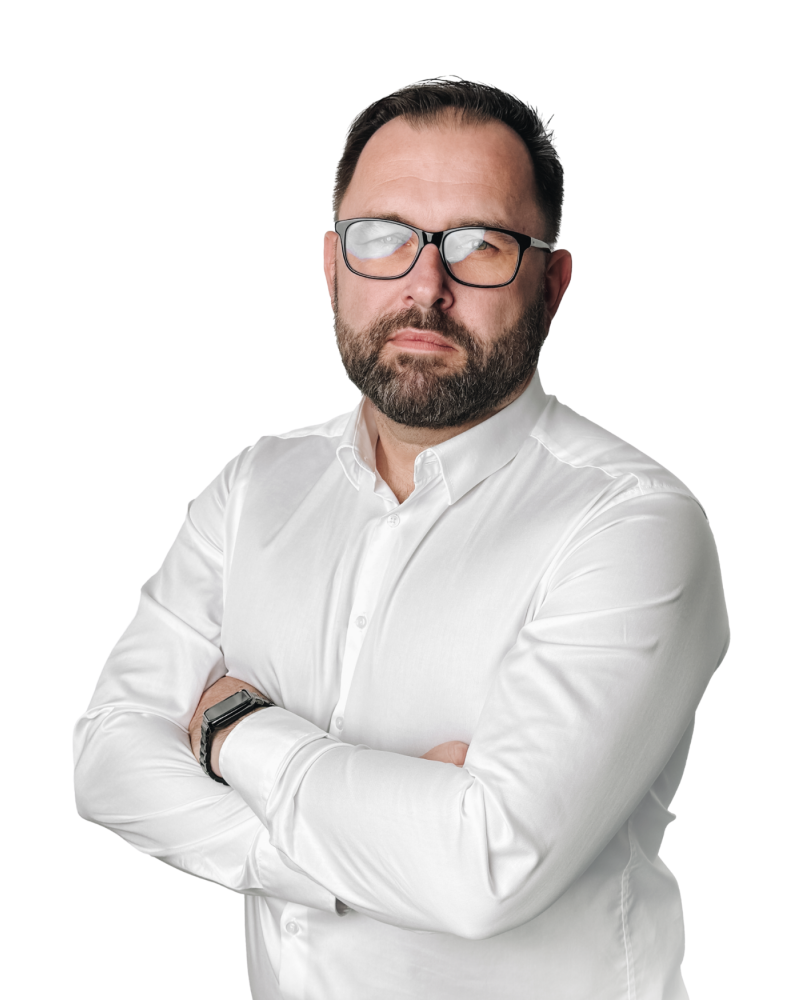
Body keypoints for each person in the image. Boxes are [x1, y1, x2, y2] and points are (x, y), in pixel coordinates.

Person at [72, 76, 730, 999]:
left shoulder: (633, 524)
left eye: (481, 245)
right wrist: (356, 855)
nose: (426, 287)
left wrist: (234, 732)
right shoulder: (257, 486)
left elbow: (484, 869)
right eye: (383, 238)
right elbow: (107, 757)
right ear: (333, 265)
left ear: (552, 283)